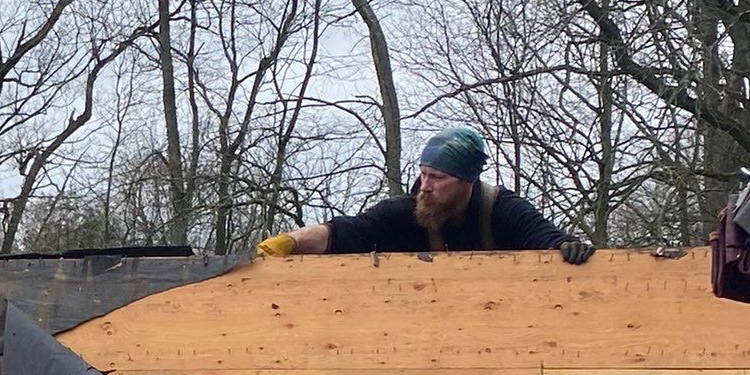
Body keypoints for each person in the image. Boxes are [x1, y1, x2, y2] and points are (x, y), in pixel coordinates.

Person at [255, 127, 595, 263]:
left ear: (466, 181)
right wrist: (291, 240)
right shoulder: (404, 213)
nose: (426, 186)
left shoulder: (502, 210)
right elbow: (344, 232)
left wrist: (570, 249)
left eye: (438, 177)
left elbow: (548, 240)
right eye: (423, 174)